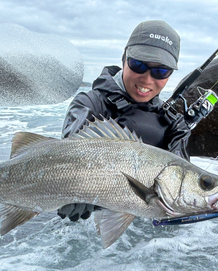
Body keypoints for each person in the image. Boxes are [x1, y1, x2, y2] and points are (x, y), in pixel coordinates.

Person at [58, 20, 191, 222]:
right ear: (124, 59)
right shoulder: (90, 104)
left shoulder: (175, 125)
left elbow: (181, 192)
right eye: (138, 65)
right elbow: (67, 159)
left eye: (160, 71)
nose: (146, 79)